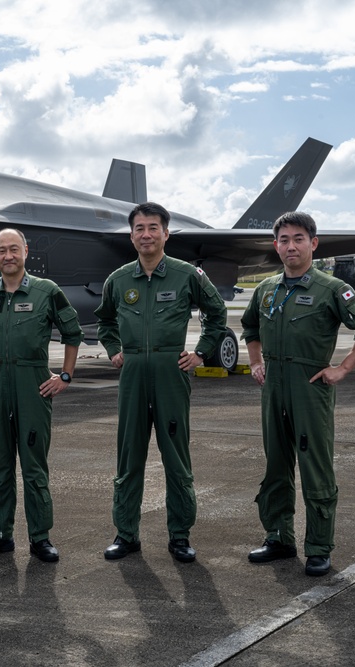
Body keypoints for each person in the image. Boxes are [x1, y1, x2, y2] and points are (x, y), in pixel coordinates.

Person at [241, 211, 355, 576]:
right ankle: (279, 537)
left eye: (299, 238)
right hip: (273, 386)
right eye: (284, 239)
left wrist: (343, 368)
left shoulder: (332, 289)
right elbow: (250, 327)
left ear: (313, 243)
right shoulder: (265, 289)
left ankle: (319, 547)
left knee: (315, 467)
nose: (291, 245)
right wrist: (256, 362)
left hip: (310, 387)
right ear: (276, 246)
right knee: (276, 466)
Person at [96, 202, 228, 562]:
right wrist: (113, 350)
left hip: (172, 371)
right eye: (139, 228)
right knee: (129, 455)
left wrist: (201, 352)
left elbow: (217, 314)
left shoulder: (188, 275)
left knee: (176, 456)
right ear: (131, 235)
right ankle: (126, 534)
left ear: (166, 233)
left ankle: (180, 535)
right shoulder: (119, 279)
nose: (146, 235)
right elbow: (105, 321)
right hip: (134, 371)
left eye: (153, 228)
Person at [0, 228, 83, 563]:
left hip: (33, 385)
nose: (8, 256)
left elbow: (72, 333)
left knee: (34, 465)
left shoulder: (46, 291)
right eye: (1, 250)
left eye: (14, 249)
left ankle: (40, 537)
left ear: (26, 251)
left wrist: (66, 376)